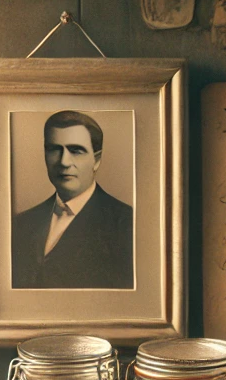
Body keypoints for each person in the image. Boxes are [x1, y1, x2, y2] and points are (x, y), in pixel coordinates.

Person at [11, 110, 134, 289]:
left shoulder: (126, 223)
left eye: (76, 151)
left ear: (97, 160)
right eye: (54, 149)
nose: (64, 162)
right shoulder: (21, 223)